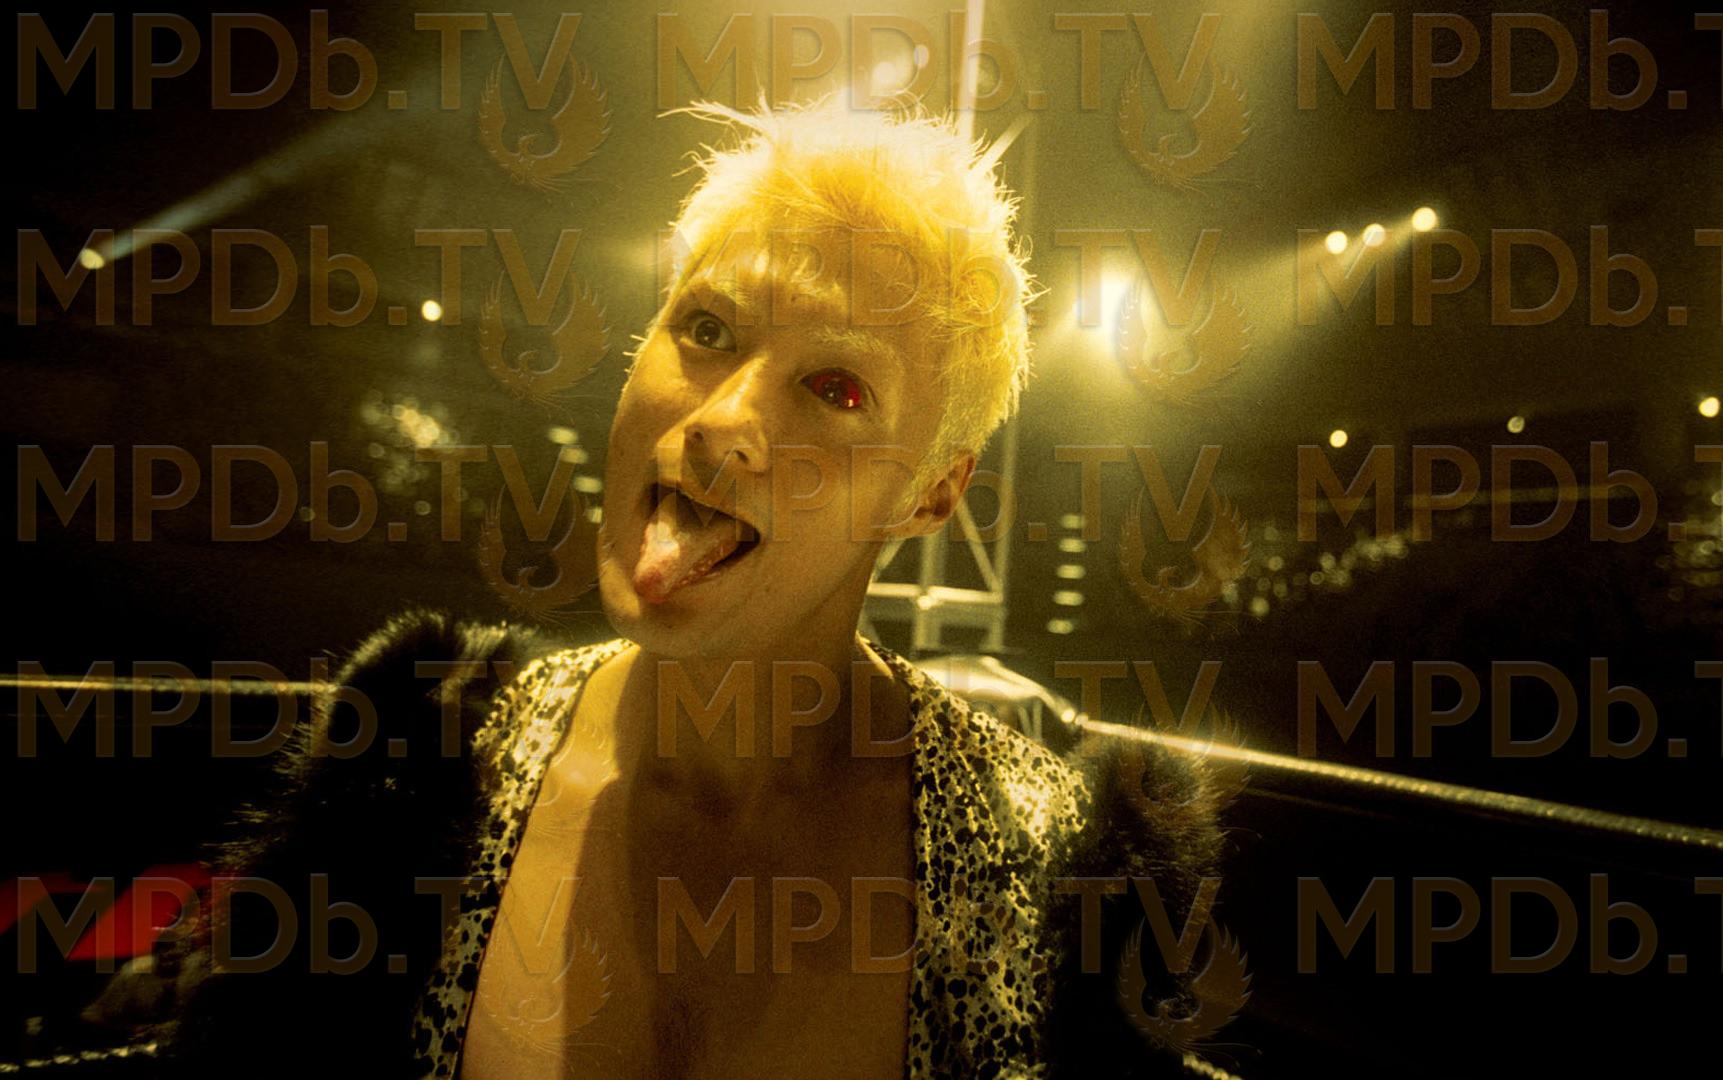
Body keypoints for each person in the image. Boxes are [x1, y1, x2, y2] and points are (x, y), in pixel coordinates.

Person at [152, 94, 1238, 1079]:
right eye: (707, 329)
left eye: (835, 387)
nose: (721, 420)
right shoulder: (424, 764)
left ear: (929, 494)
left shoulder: (1049, 868)